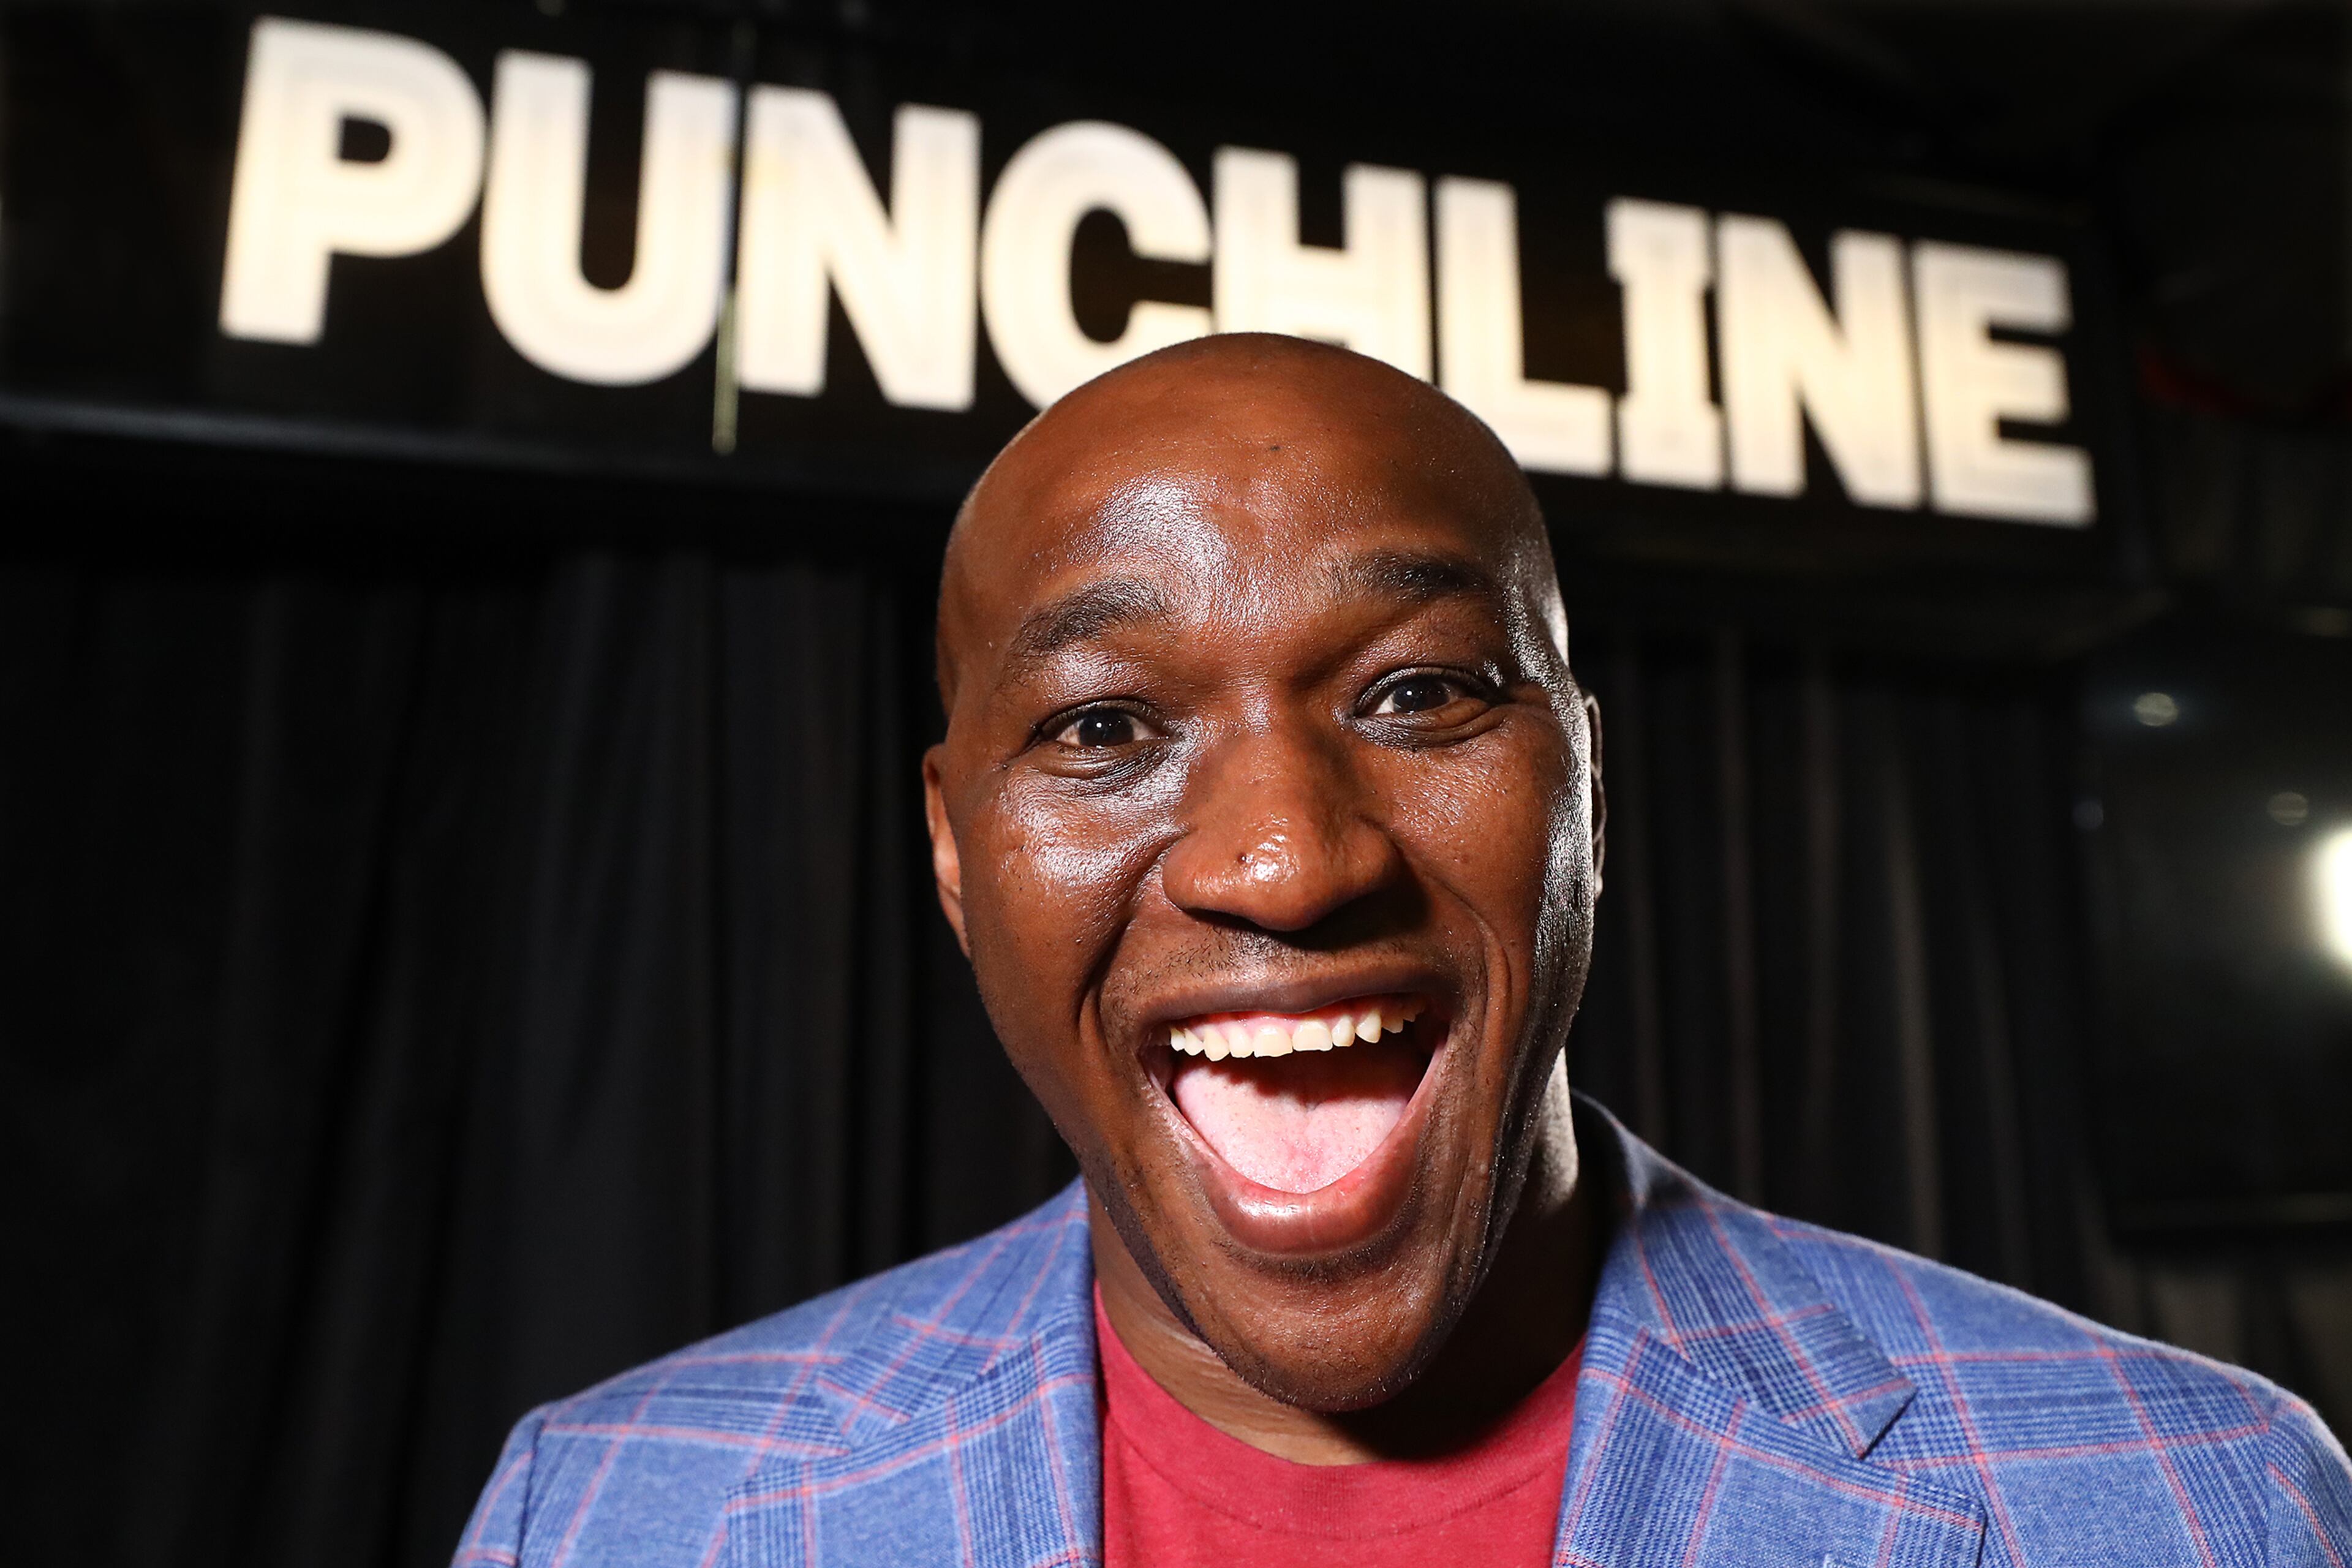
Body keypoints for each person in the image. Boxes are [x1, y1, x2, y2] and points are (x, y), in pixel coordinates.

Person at [453, 334, 2351, 1568]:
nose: (1285, 861)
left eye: (1421, 691)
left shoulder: (2196, 1511)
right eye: (1106, 728)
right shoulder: (615, 1517)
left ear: (1585, 790)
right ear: (955, 855)